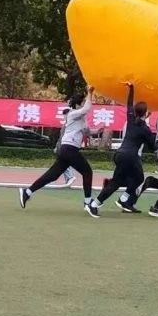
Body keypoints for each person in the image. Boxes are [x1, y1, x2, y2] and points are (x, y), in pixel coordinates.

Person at [18, 86, 98, 217]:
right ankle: (88, 202)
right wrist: (90, 93)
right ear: (78, 104)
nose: (85, 103)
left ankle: (27, 192)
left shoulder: (81, 118)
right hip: (69, 149)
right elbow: (87, 108)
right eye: (83, 102)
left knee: (52, 175)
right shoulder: (72, 114)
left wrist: (98, 131)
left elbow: (87, 131)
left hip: (67, 150)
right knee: (87, 172)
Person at [92, 82, 158, 214]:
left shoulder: (131, 119)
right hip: (131, 157)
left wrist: (131, 88)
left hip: (119, 155)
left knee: (117, 182)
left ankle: (95, 204)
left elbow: (129, 104)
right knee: (139, 178)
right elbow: (153, 147)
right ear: (146, 113)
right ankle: (123, 198)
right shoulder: (145, 129)